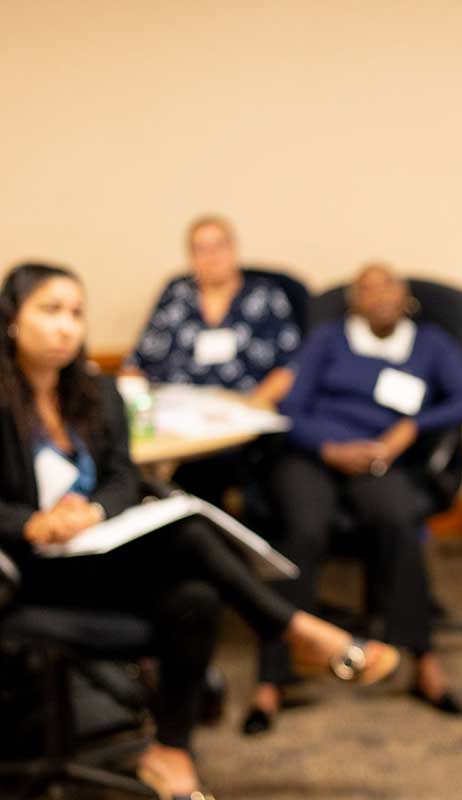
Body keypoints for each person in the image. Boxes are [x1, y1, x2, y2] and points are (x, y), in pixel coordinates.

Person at [0, 263, 401, 799]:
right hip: (32, 571)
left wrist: (93, 511)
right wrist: (33, 521)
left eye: (76, 312)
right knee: (186, 531)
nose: (67, 327)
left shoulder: (99, 393)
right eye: (50, 311)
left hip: (99, 553)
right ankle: (293, 630)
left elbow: (123, 477)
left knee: (196, 595)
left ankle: (172, 749)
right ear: (10, 321)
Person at [247, 263, 462, 732]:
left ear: (405, 297)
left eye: (387, 286)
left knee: (399, 517)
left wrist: (411, 428)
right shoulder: (329, 340)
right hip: (314, 453)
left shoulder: (430, 344)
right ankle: (271, 679)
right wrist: (330, 448)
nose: (377, 296)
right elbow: (290, 407)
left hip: (378, 457)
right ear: (353, 300)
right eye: (366, 289)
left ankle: (422, 660)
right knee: (303, 529)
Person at [125, 215, 301, 504]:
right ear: (190, 256)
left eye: (219, 245)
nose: (212, 256)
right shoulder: (176, 295)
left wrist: (251, 408)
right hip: (180, 421)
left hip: (243, 421)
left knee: (213, 474)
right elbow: (137, 362)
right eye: (201, 248)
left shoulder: (265, 294)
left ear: (234, 249)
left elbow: (290, 367)